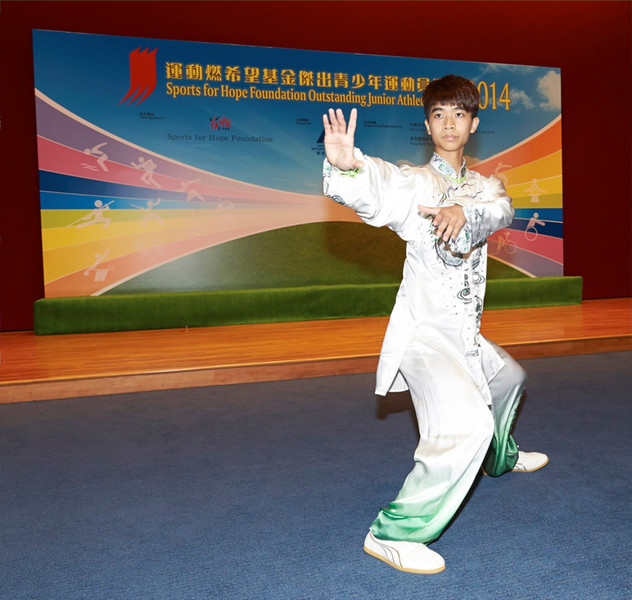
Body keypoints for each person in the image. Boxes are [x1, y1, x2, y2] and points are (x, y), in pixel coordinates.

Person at [321, 74, 548, 574]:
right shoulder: (418, 181)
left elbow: (500, 209)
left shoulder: (486, 186)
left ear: (473, 124)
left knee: (511, 378)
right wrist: (348, 167)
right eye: (439, 115)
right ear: (428, 124)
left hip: (464, 334)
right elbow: (382, 188)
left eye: (459, 115)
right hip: (425, 334)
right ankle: (392, 534)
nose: (449, 124)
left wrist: (463, 212)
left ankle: (500, 457)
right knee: (465, 424)